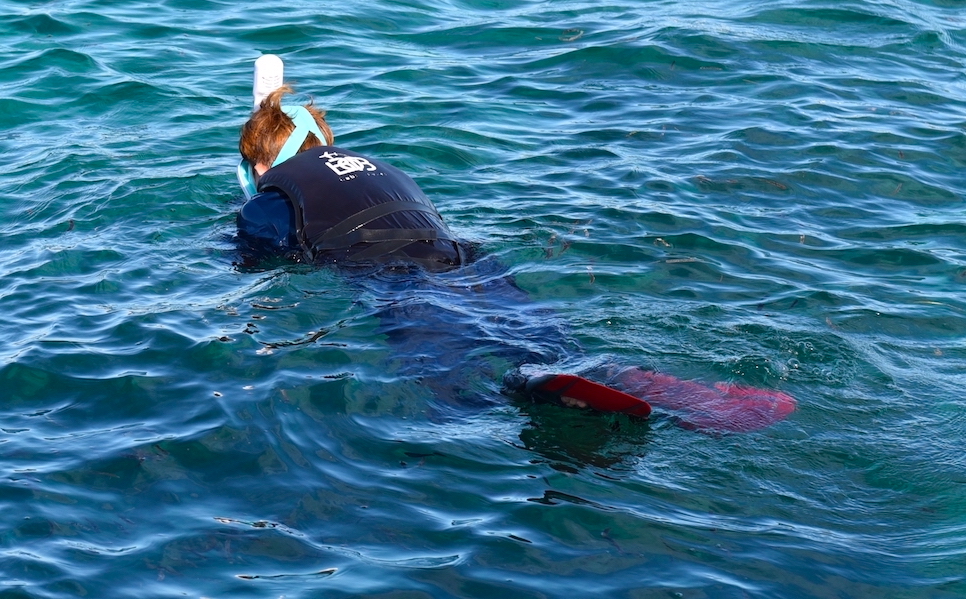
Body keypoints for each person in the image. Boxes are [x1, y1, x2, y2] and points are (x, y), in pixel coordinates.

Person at [233, 77, 796, 433]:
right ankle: (670, 391)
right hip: (470, 262)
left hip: (399, 280)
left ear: (261, 165)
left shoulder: (276, 191)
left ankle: (530, 394)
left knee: (450, 392)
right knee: (558, 347)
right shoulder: (382, 168)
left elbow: (256, 257)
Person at [236, 85, 463, 270]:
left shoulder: (267, 206)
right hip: (460, 257)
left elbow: (255, 264)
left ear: (259, 167)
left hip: (391, 277)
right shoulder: (380, 171)